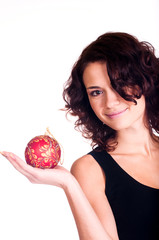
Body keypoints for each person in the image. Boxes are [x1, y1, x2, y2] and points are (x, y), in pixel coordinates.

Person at [1, 32, 159, 240]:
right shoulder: (90, 169)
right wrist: (69, 185)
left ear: (145, 82)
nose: (110, 102)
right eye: (96, 92)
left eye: (118, 83)